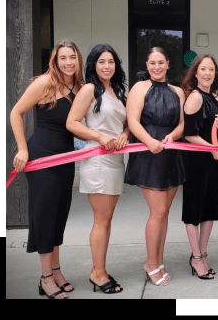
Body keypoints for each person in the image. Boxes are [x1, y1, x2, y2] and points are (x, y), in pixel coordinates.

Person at [10, 40, 84, 299]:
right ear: (55, 60)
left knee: (58, 216)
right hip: (42, 157)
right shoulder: (44, 83)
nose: (68, 62)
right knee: (44, 217)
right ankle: (45, 278)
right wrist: (22, 149)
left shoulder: (78, 87)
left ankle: (56, 270)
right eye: (63, 58)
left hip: (65, 159)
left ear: (78, 59)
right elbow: (16, 112)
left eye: (72, 57)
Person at [66, 44, 129, 294]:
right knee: (101, 220)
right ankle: (98, 273)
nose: (107, 66)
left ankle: (100, 268)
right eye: (102, 62)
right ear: (93, 65)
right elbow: (72, 122)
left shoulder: (116, 91)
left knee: (107, 219)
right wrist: (100, 137)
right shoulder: (90, 89)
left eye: (111, 61)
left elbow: (124, 124)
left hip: (115, 160)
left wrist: (125, 134)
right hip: (98, 159)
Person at [124, 46, 185, 286]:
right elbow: (132, 121)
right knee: (157, 212)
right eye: (152, 63)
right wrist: (150, 142)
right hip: (149, 153)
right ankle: (150, 263)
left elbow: (182, 123)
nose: (157, 67)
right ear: (147, 65)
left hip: (171, 153)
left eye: (161, 62)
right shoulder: (139, 88)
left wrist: (173, 137)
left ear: (168, 64)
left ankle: (159, 260)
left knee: (165, 213)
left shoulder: (178, 91)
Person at [181, 54, 218, 280]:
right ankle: (196, 257)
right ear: (195, 72)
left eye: (211, 69)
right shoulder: (195, 98)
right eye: (203, 69)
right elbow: (189, 135)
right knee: (193, 210)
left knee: (209, 209)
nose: (208, 73)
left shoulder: (214, 96)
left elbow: (214, 128)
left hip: (211, 160)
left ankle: (203, 253)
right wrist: (213, 149)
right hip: (197, 161)